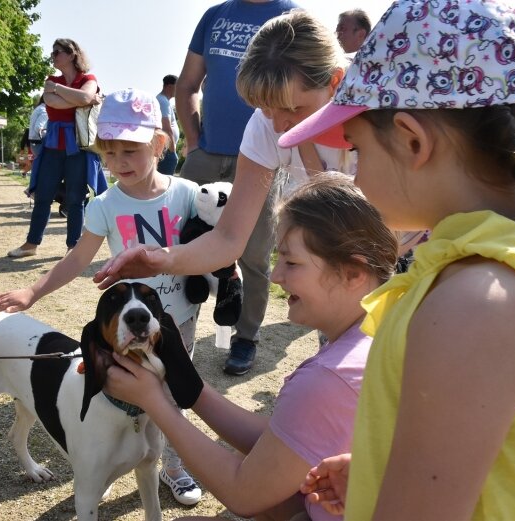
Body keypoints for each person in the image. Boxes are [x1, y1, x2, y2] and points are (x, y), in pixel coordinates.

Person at [278, 1, 515, 519]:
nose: (355, 177)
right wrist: (384, 471)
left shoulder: (473, 304)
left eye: (358, 152)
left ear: (411, 139)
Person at [103, 176, 397, 521]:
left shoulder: (329, 379)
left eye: (292, 262)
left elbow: (243, 492)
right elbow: (281, 443)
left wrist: (154, 401)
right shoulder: (379, 338)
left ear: (352, 273)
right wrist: (190, 386)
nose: (275, 277)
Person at [95, 10, 351, 375]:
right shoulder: (267, 123)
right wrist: (164, 258)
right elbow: (230, 236)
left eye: (293, 108)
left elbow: (383, 235)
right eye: (266, 109)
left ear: (336, 82)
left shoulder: (379, 113)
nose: (278, 126)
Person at [0, 88, 202, 505]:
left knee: (175, 393)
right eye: (109, 153)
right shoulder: (105, 204)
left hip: (180, 322)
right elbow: (77, 258)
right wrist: (32, 291)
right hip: (127, 326)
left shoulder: (188, 193)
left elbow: (211, 244)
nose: (118, 162)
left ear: (158, 145)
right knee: (132, 395)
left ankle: (172, 467)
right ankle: (111, 457)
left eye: (130, 151)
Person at [176, 0, 298, 372]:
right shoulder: (215, 15)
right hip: (207, 153)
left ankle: (245, 339)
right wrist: (193, 140)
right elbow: (187, 85)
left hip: (264, 158)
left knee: (255, 255)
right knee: (180, 238)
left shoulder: (291, 14)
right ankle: (175, 323)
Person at [7, 38, 107, 258]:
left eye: (57, 52)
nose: (53, 56)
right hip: (53, 145)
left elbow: (84, 96)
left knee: (76, 198)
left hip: (79, 147)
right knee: (43, 195)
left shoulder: (86, 79)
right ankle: (31, 244)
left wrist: (64, 91)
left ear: (72, 54)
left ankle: (73, 247)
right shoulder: (50, 80)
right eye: (53, 53)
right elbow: (55, 103)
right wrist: (82, 99)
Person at [156, 74, 179, 175]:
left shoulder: (164, 101)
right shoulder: (163, 101)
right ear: (170, 86)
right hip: (166, 152)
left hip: (166, 150)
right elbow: (166, 127)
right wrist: (172, 152)